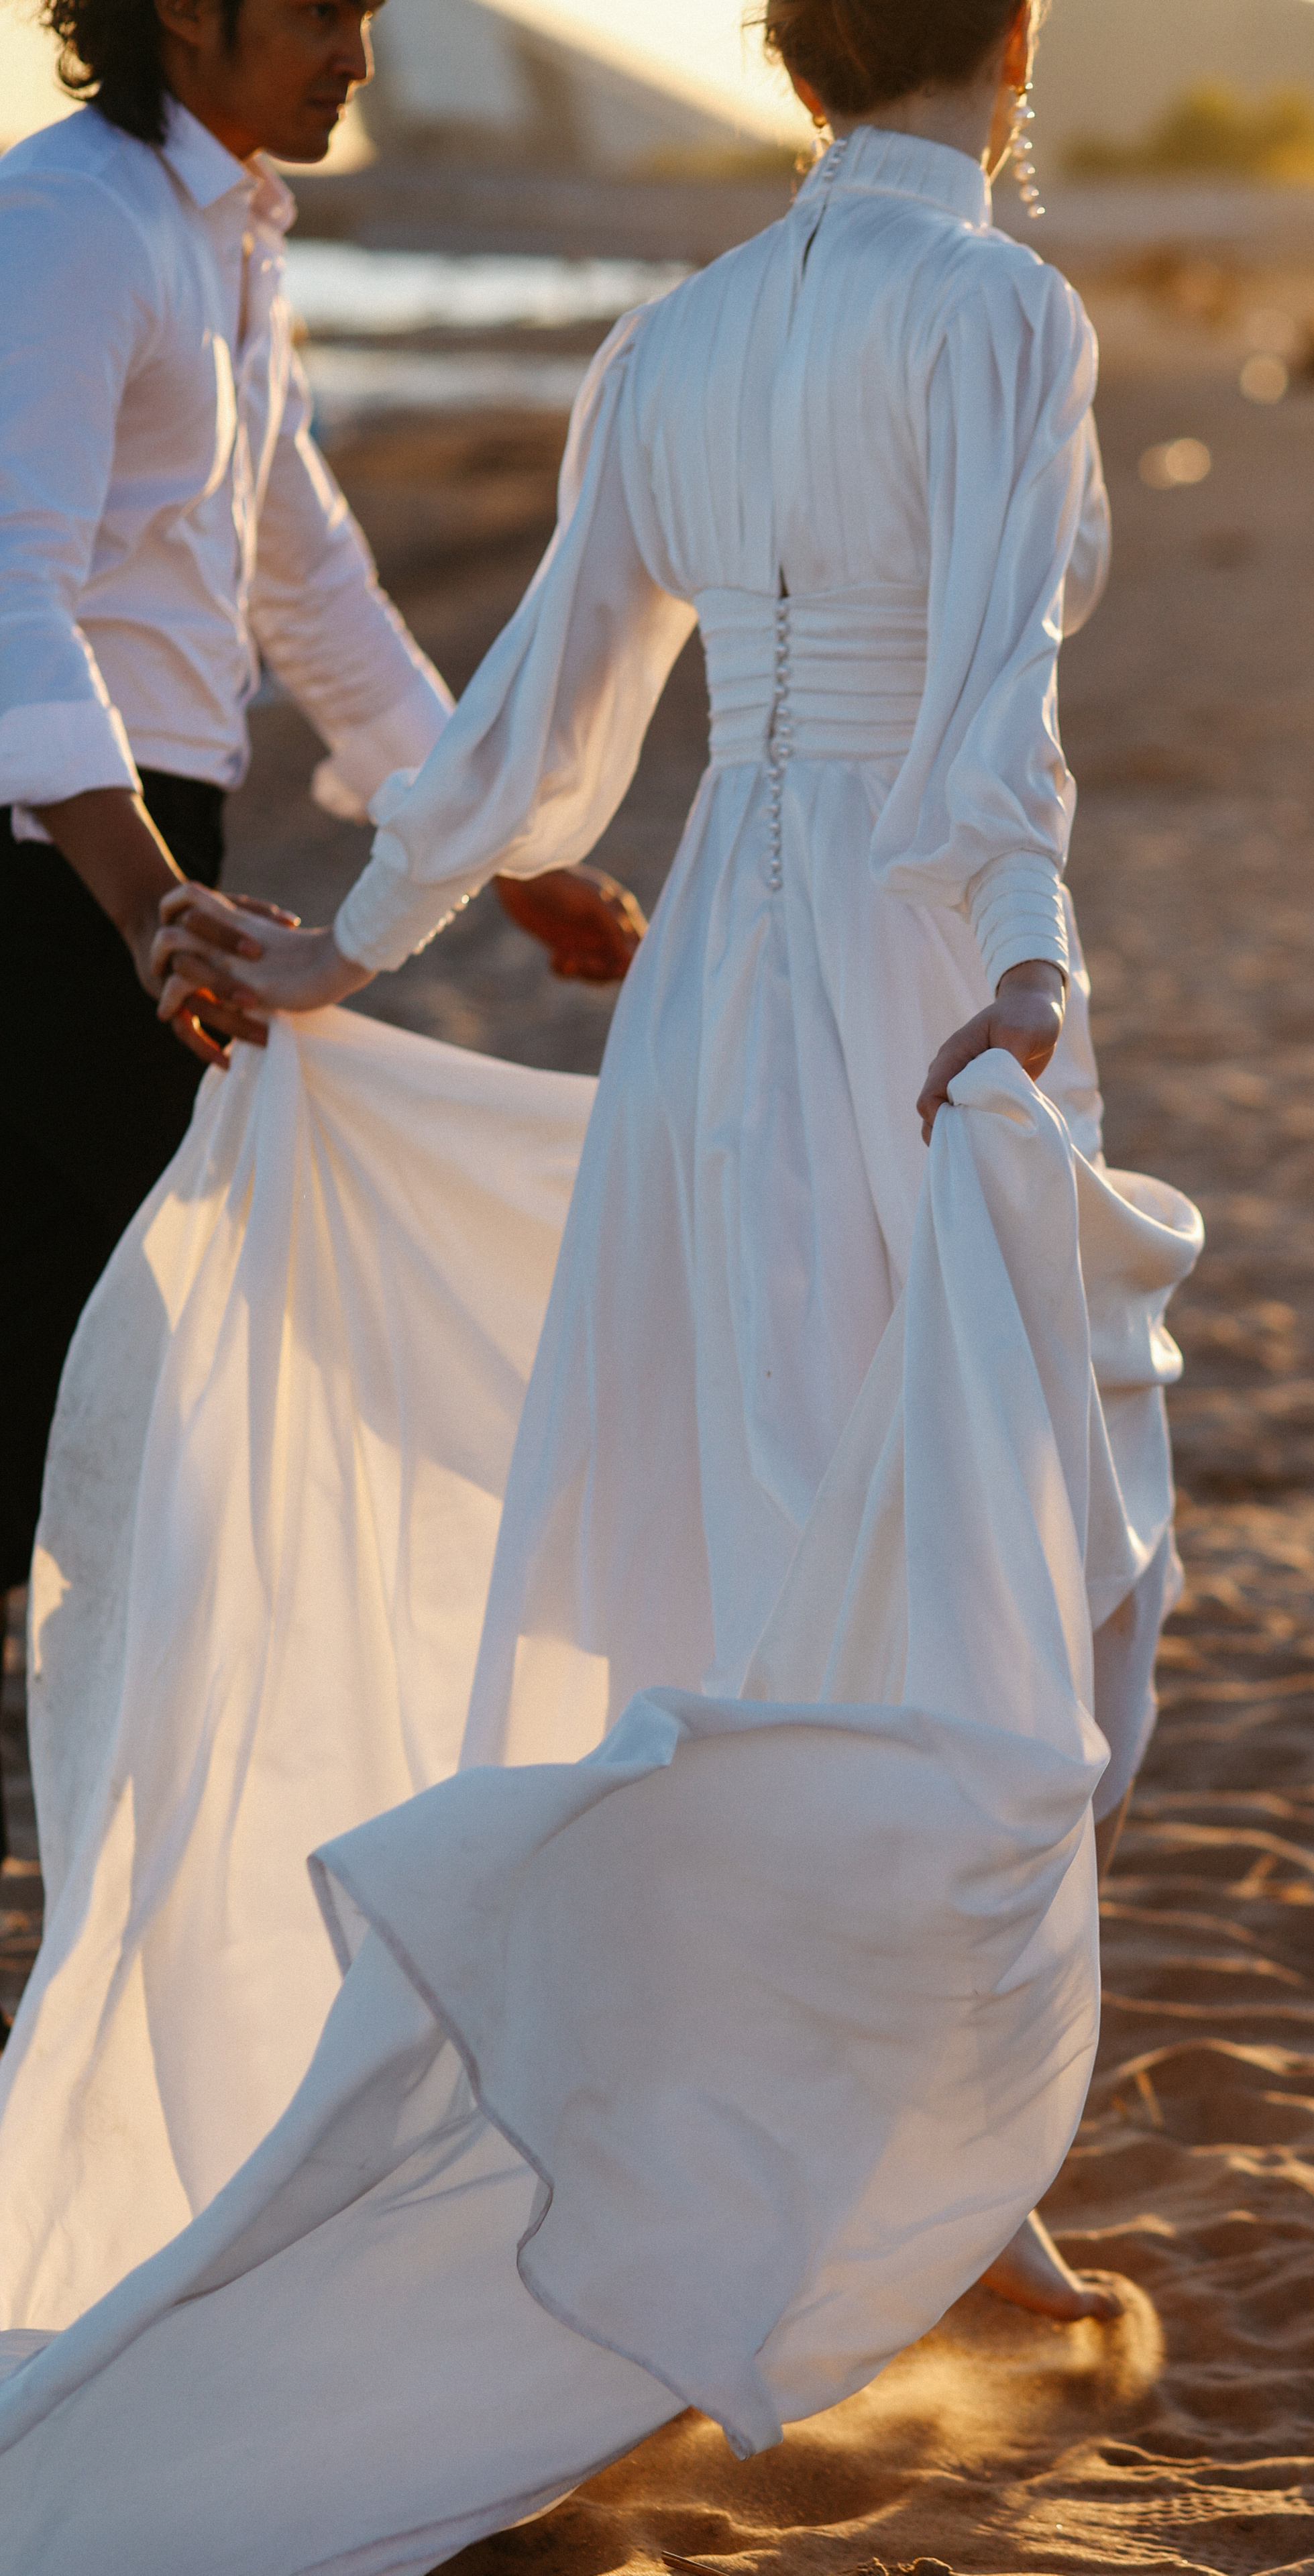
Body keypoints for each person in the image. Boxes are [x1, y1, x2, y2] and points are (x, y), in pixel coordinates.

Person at [0, 1, 1201, 2562]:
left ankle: (854, 2176)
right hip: (892, 973)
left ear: (788, 58)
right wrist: (1026, 965)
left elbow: (547, 714)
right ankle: (924, 2201)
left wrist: (384, 924)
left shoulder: (676, 341)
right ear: (1003, 47)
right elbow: (1003, 700)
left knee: (738, 1526)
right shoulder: (999, 311)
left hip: (720, 1015)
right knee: (951, 1526)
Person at [0, 0, 639, 1619]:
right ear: (182, 13)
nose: (358, 49)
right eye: (317, 13)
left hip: (144, 861)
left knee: (108, 1415)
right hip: (55, 869)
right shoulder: (73, 223)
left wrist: (498, 851)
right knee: (115, 1412)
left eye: (364, 11)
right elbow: (9, 591)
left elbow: (315, 584)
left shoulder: (225, 234)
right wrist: (149, 905)